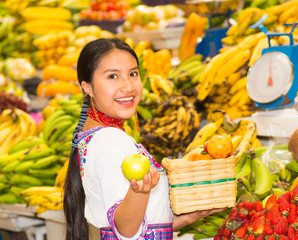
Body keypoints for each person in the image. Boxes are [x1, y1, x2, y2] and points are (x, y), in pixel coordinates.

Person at [64, 38, 222, 240]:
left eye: (133, 74)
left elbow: (141, 223)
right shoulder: (110, 140)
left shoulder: (96, 137)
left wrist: (190, 217)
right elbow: (126, 229)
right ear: (87, 87)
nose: (128, 86)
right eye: (113, 76)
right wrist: (139, 192)